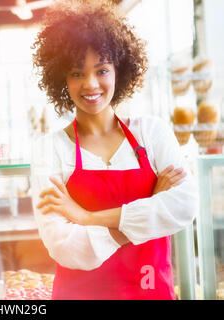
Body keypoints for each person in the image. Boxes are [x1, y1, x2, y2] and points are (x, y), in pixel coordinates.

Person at [30, 0, 198, 300]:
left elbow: (184, 206)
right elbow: (65, 247)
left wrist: (88, 218)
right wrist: (151, 204)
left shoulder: (152, 132)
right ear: (61, 78)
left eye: (102, 69)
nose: (91, 84)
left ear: (119, 69)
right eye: (76, 73)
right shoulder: (49, 149)